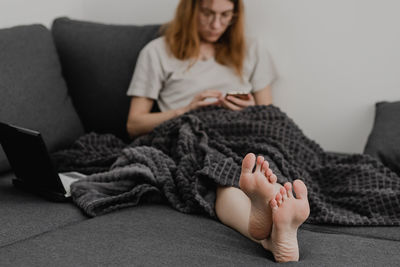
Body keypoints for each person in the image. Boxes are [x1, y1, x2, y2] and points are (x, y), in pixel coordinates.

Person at [126, 0, 310, 262]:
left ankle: (270, 225)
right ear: (190, 10)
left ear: (235, 15)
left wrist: (251, 107)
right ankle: (269, 228)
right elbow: (134, 124)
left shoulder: (252, 49)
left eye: (225, 16)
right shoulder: (156, 52)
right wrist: (186, 109)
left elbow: (269, 113)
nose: (216, 24)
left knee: (256, 160)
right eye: (208, 14)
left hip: (245, 127)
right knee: (215, 168)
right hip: (192, 128)